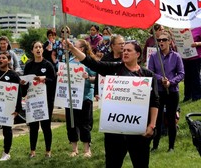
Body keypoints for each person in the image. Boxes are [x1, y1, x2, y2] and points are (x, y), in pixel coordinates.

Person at [65, 39, 159, 168]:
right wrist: (72, 49)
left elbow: (155, 102)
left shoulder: (148, 75)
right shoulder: (114, 68)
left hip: (138, 131)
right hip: (115, 132)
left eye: (129, 50)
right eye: (124, 50)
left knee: (141, 164)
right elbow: (91, 63)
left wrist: (152, 125)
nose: (125, 52)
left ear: (138, 54)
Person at [148, 31, 184, 152]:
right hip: (158, 92)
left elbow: (181, 73)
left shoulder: (176, 56)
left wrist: (171, 82)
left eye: (164, 40)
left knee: (171, 119)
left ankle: (171, 147)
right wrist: (161, 79)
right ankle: (155, 146)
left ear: (169, 41)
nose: (161, 42)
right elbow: (150, 72)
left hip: (172, 92)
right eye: (159, 40)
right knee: (157, 121)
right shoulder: (153, 56)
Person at [21, 41, 56, 158]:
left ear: (43, 50)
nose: (38, 49)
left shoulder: (48, 65)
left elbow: (54, 81)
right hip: (32, 100)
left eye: (40, 47)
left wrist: (44, 79)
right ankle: (32, 151)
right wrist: (23, 84)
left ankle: (48, 151)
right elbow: (25, 85)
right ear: (32, 51)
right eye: (36, 47)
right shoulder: (29, 66)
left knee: (46, 126)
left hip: (46, 101)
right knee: (34, 126)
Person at [66, 39, 96, 158]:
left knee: (85, 124)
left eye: (75, 46)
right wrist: (61, 75)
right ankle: (74, 149)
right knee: (71, 124)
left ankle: (87, 150)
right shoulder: (70, 61)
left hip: (85, 97)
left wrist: (88, 77)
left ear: (82, 49)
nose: (72, 47)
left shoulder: (89, 62)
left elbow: (96, 78)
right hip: (71, 98)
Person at [94, 34, 125, 101]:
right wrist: (97, 91)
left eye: (123, 43)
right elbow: (98, 74)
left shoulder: (126, 58)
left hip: (123, 93)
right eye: (120, 44)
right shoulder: (106, 58)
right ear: (112, 46)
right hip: (107, 93)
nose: (122, 45)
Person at [182, 26, 201, 102]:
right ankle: (187, 96)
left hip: (196, 57)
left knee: (195, 76)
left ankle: (197, 96)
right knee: (187, 77)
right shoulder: (182, 29)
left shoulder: (199, 28)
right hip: (185, 57)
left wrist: (197, 43)